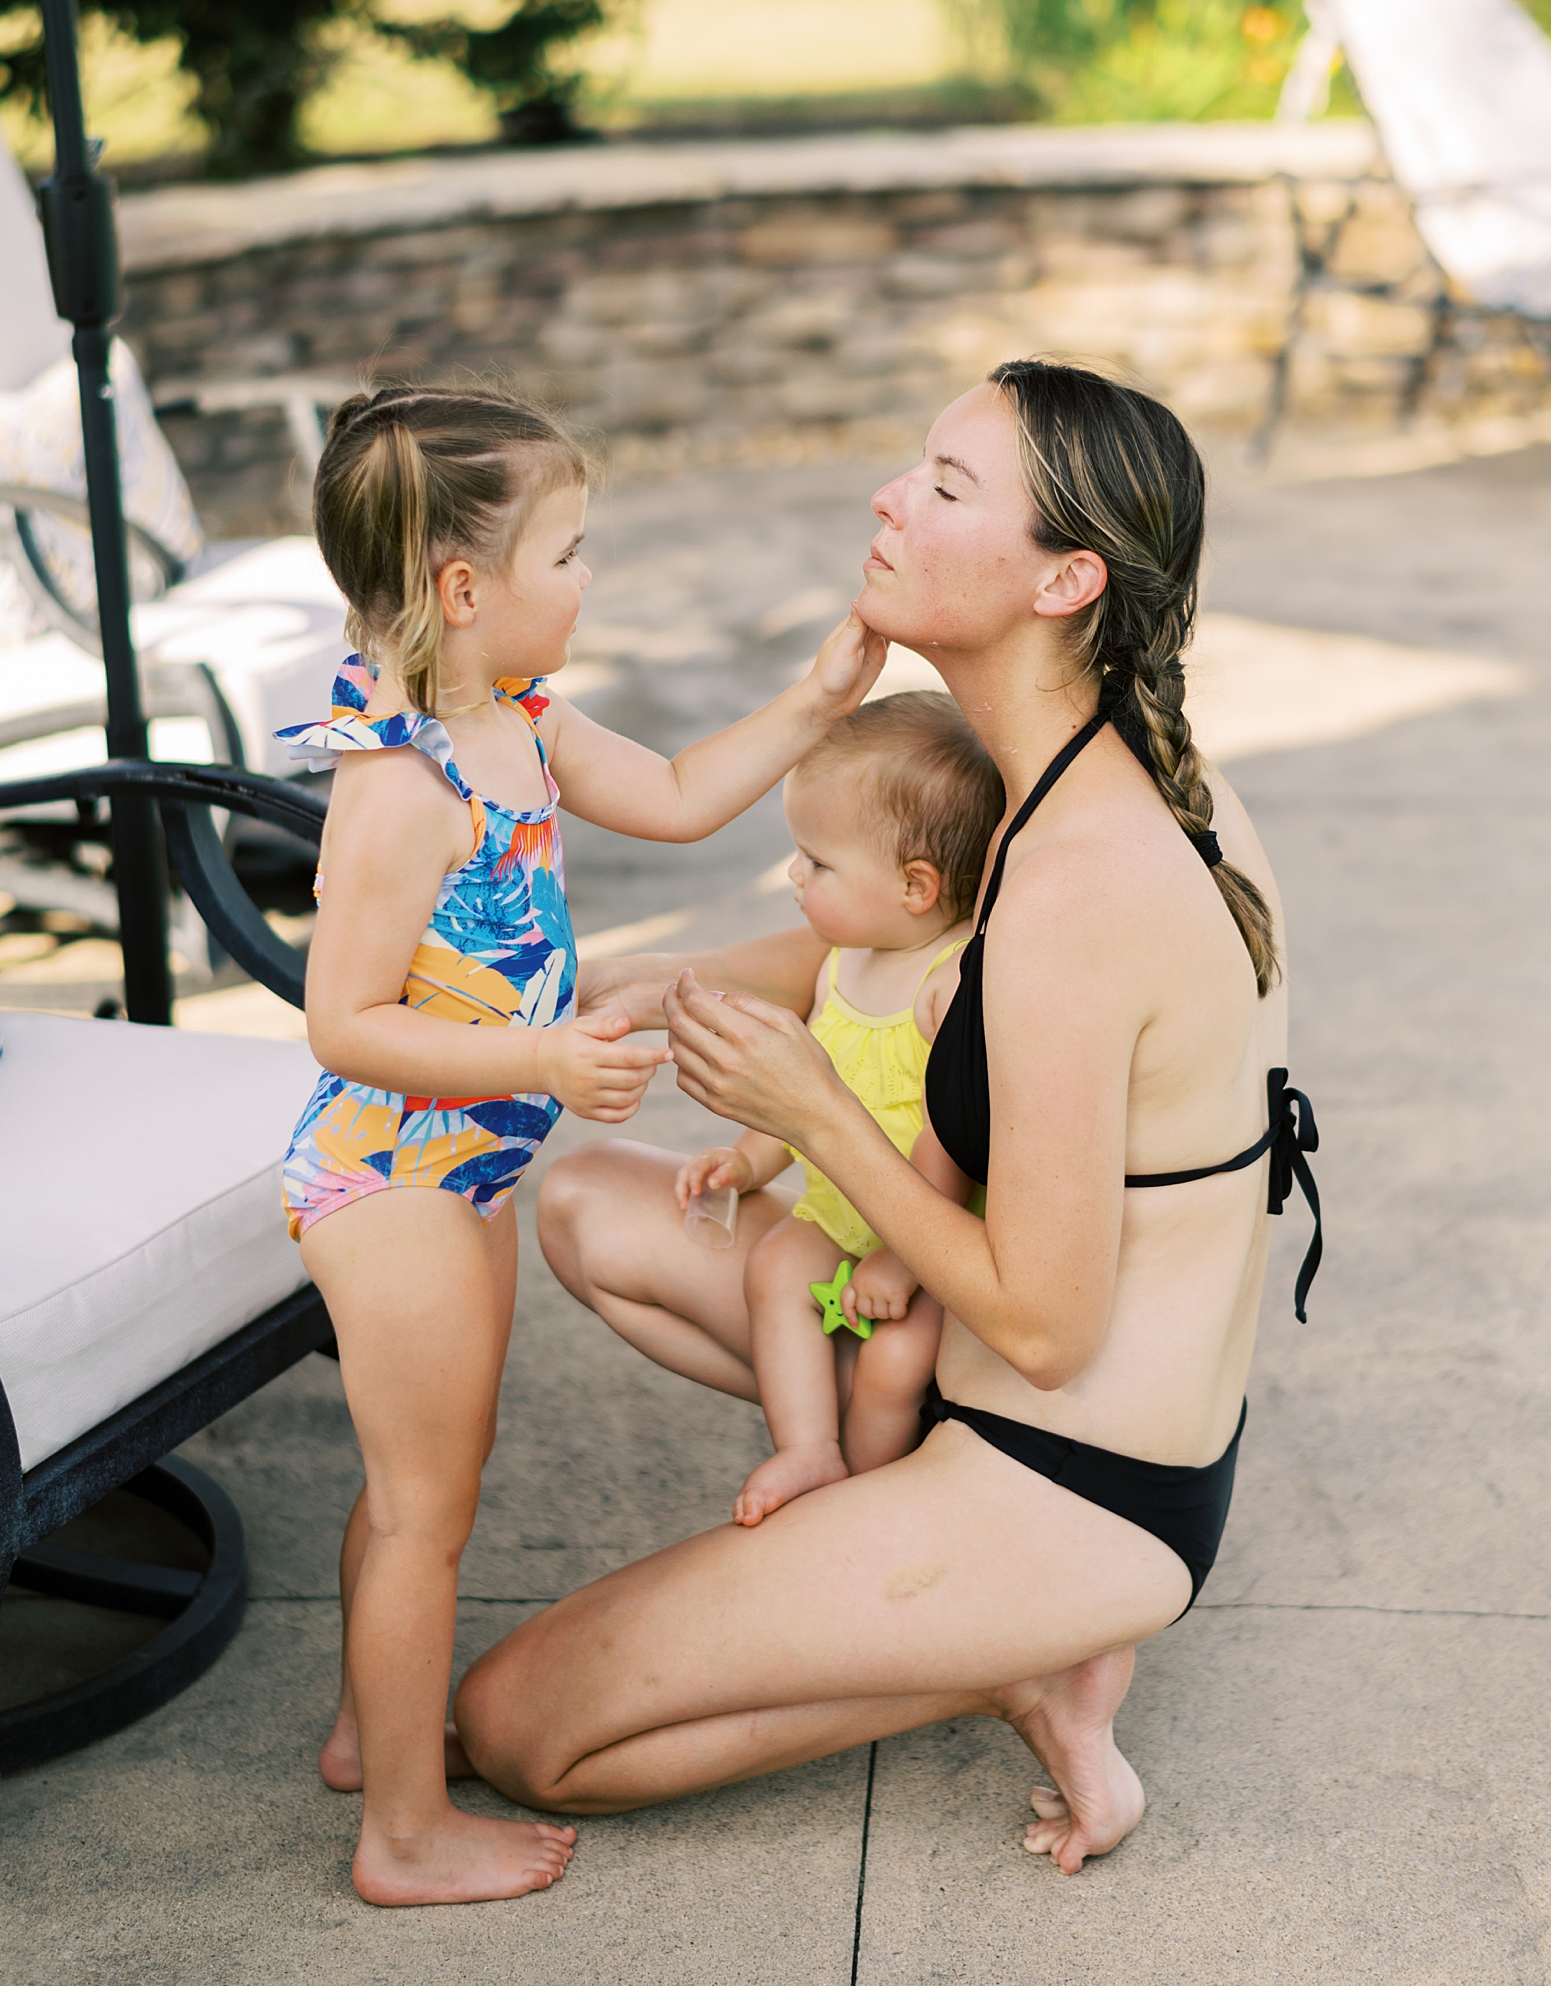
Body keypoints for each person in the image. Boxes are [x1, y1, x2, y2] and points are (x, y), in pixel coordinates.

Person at [454, 359, 1322, 1872]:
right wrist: (667, 983)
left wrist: (820, 1116)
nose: (887, 498)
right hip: (961, 1367)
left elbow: (1049, 1329)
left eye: (945, 486)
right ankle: (886, 1537)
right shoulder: (1054, 768)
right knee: (594, 1203)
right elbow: (911, 943)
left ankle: (1003, 1653)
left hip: (1075, 1473)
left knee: (521, 1729)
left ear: (1066, 578)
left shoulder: (1088, 889)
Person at [278, 382, 885, 1909]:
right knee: (427, 1511)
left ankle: (375, 1732)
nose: (590, 576)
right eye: (570, 553)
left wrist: (819, 703)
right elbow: (341, 1022)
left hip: (468, 1166)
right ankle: (404, 1835)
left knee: (428, 1476)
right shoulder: (401, 786)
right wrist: (539, 1055)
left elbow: (679, 799)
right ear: (464, 590)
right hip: (393, 1177)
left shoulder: (519, 722)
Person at [673, 693, 1004, 1526]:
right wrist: (747, 1161)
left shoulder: (948, 984)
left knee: (896, 1364)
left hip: (930, 1233)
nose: (793, 873)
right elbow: (810, 1087)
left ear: (915, 886)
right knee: (775, 1269)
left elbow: (950, 1137)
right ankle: (808, 1445)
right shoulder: (843, 963)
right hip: (834, 1214)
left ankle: (866, 1498)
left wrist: (901, 1258)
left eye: (816, 862)